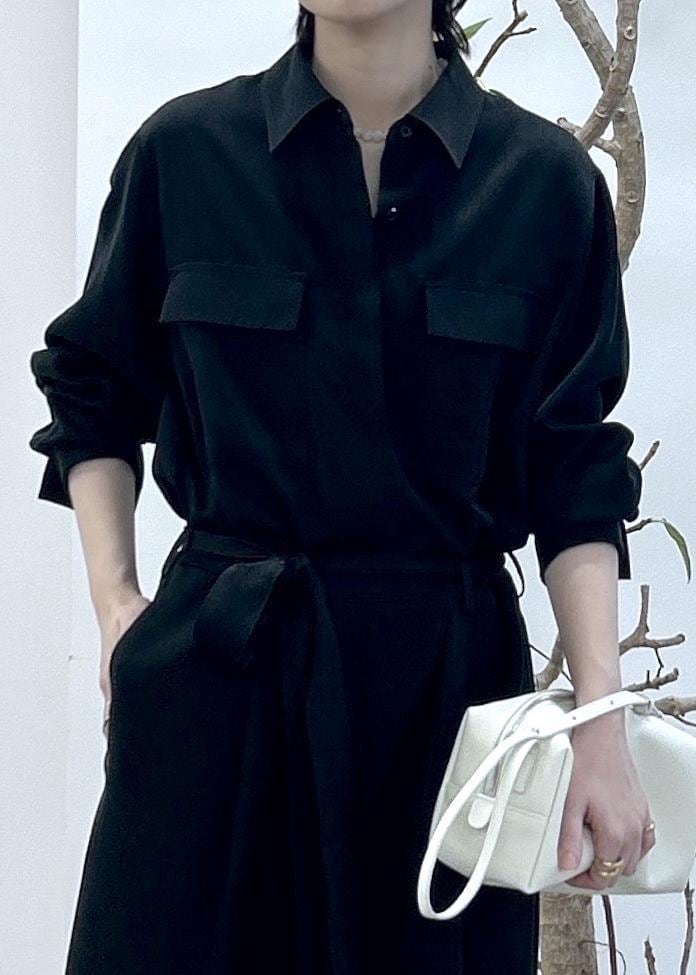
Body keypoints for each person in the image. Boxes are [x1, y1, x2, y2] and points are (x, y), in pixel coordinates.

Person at [28, 2, 652, 973]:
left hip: (443, 710)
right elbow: (91, 389)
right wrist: (118, 610)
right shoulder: (184, 153)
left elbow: (573, 469)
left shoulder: (541, 182)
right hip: (218, 683)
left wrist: (600, 721)